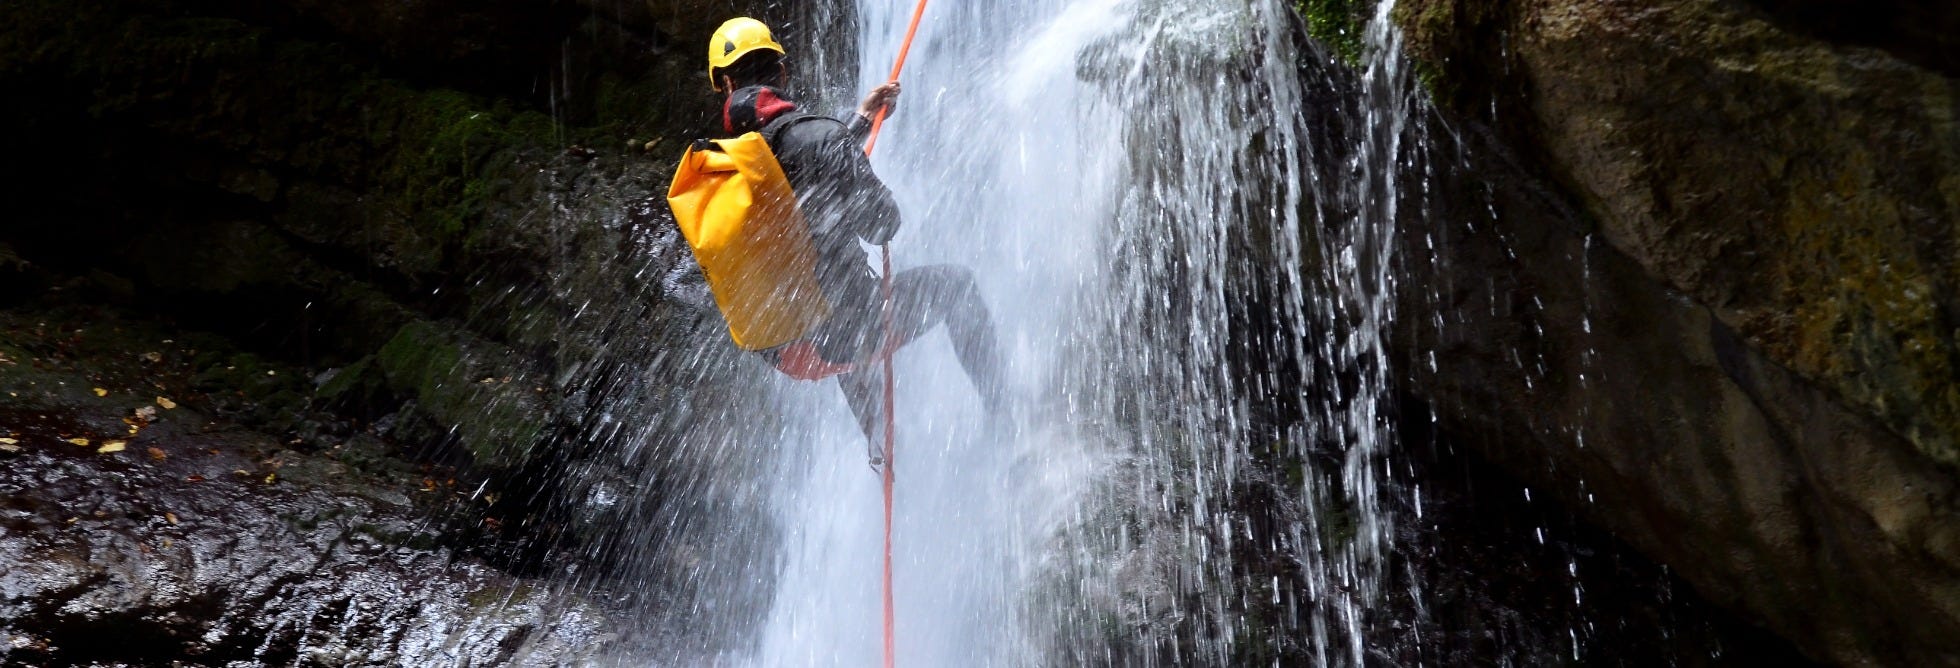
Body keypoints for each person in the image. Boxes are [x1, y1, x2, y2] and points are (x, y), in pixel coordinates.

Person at [695, 17, 1006, 467]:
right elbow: (883, 224)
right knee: (953, 287)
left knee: (826, 299)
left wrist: (858, 124)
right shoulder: (821, 138)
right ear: (782, 75)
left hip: (780, 347)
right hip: (840, 337)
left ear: (725, 84)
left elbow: (797, 168)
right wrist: (848, 157)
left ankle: (881, 445)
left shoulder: (729, 162)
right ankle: (1007, 415)